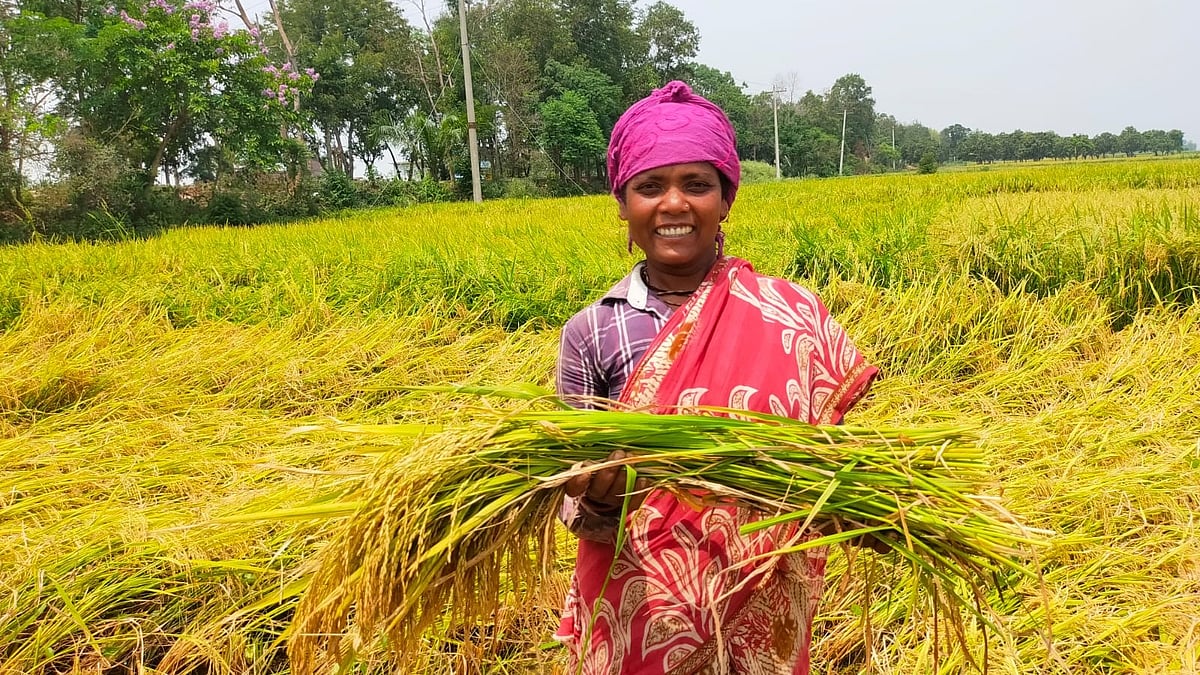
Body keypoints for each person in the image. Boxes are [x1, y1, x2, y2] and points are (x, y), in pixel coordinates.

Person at [554, 81, 879, 675]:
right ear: (622, 204)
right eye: (649, 186)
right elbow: (575, 503)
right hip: (638, 616)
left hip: (760, 608)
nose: (673, 204)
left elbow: (832, 467)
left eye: (696, 184)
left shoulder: (791, 315)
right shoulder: (592, 331)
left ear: (726, 199)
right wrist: (597, 495)